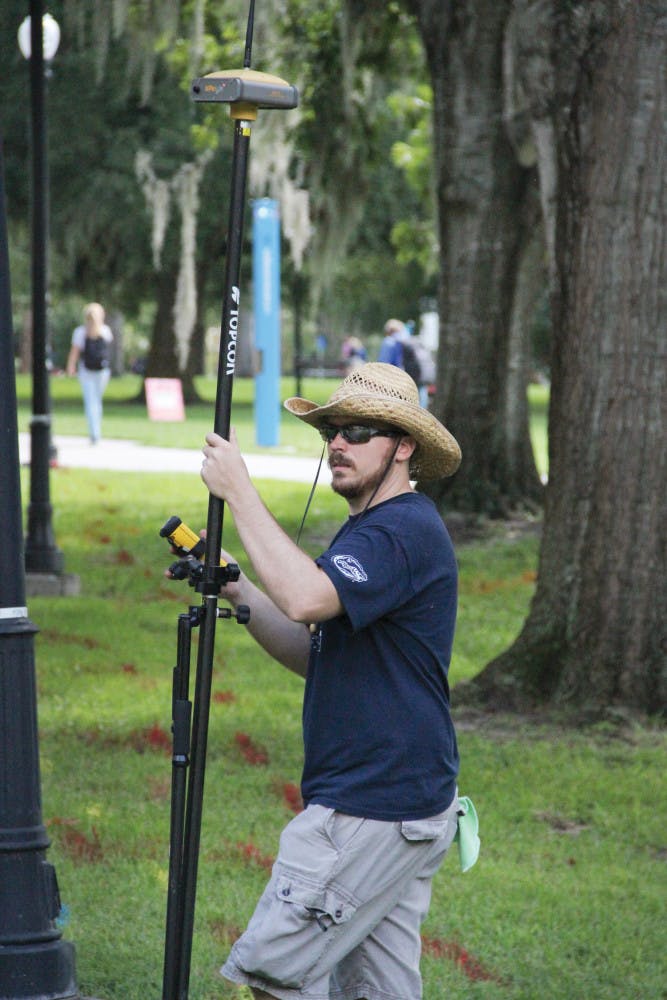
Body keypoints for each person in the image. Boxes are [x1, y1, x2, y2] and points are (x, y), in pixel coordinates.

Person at [199, 362, 462, 1000]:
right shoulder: (372, 530)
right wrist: (236, 584)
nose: (338, 442)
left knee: (274, 972)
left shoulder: (401, 531)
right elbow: (313, 650)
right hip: (402, 803)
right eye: (331, 430)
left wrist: (240, 493)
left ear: (404, 448)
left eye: (358, 429)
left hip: (373, 804)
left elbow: (306, 598)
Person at [66, 302, 113, 444]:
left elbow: (75, 352)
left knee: (91, 401)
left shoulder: (80, 332)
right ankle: (96, 431)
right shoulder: (105, 331)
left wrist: (70, 366)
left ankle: (94, 433)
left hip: (87, 371)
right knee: (97, 401)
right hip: (102, 371)